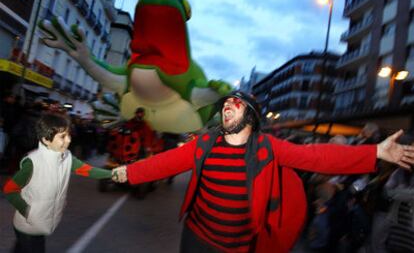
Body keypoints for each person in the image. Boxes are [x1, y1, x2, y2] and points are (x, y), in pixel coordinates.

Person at [112, 90, 414, 253]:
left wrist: (373, 151)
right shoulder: (205, 143)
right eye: (226, 103)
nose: (227, 106)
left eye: (236, 103)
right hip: (195, 239)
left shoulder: (268, 148)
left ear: (252, 118)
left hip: (240, 247)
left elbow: (318, 156)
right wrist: (128, 173)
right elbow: (165, 163)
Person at [2, 112, 112, 253]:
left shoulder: (66, 157)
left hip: (41, 224)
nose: (68, 140)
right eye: (62, 136)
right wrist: (29, 212)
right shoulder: (33, 163)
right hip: (28, 227)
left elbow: (88, 170)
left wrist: (112, 173)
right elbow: (10, 189)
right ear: (46, 140)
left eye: (69, 135)